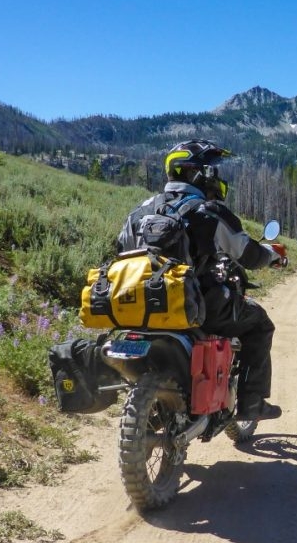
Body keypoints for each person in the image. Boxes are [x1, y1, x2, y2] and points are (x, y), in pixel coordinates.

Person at [117, 139, 286, 421]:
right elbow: (247, 253)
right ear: (197, 172)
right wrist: (272, 255)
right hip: (194, 308)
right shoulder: (206, 211)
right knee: (259, 324)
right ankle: (251, 404)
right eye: (212, 170)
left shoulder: (139, 211)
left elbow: (120, 252)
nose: (216, 177)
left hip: (138, 308)